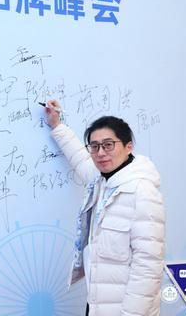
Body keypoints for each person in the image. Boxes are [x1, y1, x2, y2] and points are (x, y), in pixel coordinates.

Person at [44, 100, 165, 316]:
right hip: (98, 304)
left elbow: (148, 267)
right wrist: (57, 125)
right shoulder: (102, 180)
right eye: (95, 146)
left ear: (128, 147)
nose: (101, 153)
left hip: (127, 310)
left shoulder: (142, 191)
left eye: (108, 145)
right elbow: (79, 159)